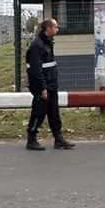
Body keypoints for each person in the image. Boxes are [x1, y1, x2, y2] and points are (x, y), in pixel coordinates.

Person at [25, 18, 74, 151]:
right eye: (55, 27)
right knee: (38, 113)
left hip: (51, 84)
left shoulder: (47, 43)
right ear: (48, 29)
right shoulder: (37, 45)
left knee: (54, 113)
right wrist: (42, 88)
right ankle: (31, 139)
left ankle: (58, 139)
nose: (57, 29)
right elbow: (36, 70)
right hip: (43, 87)